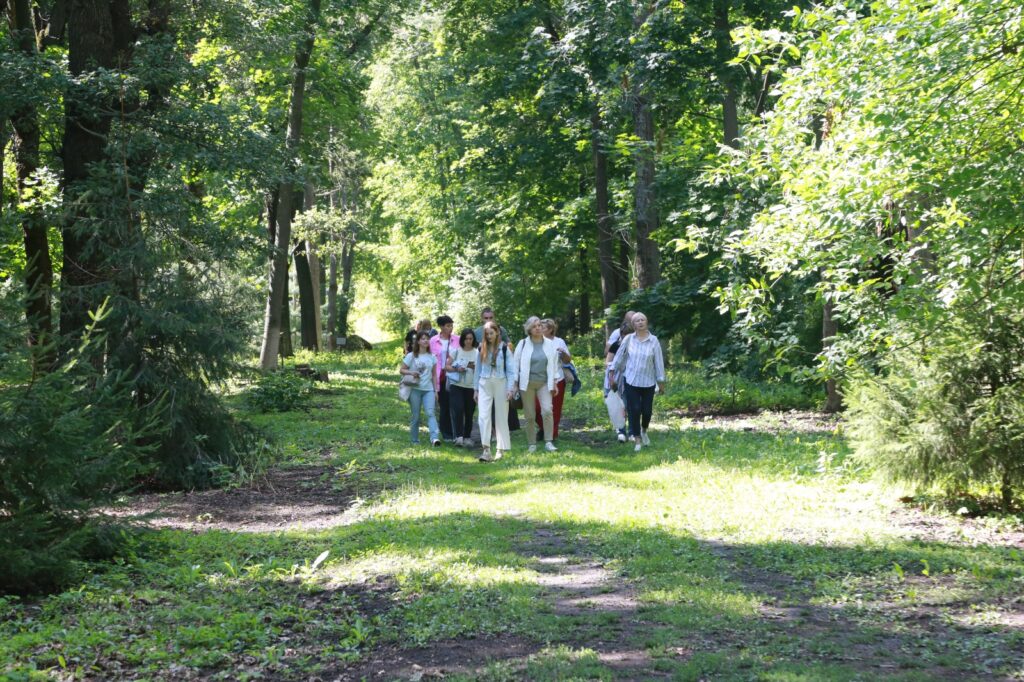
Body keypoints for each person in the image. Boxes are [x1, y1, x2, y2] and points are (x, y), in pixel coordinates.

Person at [609, 312, 666, 453]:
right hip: (631, 380)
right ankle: (637, 439)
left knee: (646, 411)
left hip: (648, 381)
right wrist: (612, 373)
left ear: (646, 322)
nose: (640, 322)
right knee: (634, 410)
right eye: (637, 321)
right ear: (633, 325)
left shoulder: (654, 341)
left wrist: (661, 381)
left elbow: (658, 362)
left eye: (643, 320)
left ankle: (644, 430)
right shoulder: (628, 339)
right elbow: (619, 357)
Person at [514, 316, 559, 453]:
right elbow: (515, 365)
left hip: (544, 383)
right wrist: (515, 384)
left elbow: (554, 365)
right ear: (529, 329)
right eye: (534, 326)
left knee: (547, 410)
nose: (538, 328)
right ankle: (532, 443)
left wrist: (555, 382)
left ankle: (548, 441)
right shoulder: (522, 344)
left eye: (539, 325)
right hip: (526, 384)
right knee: (530, 415)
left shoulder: (550, 344)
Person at [475, 321, 515, 462]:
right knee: (483, 416)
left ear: (497, 332)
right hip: (484, 383)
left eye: (491, 333)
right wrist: (475, 389)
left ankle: (500, 449)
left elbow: (511, 371)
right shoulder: (481, 348)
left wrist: (510, 389)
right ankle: (486, 449)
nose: (489, 336)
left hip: (501, 383)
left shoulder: (505, 349)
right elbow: (477, 371)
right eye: (487, 334)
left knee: (501, 416)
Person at [400, 331, 441, 446]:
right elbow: (401, 370)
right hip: (415, 389)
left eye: (427, 339)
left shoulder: (432, 357)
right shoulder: (411, 355)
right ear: (418, 341)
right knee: (416, 416)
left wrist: (435, 390)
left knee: (430, 413)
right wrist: (411, 372)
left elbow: (434, 375)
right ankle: (414, 440)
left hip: (428, 390)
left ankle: (434, 438)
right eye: (422, 339)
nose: (425, 341)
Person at [535, 318, 571, 440]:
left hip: (557, 379)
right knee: (537, 408)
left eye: (542, 327)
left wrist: (563, 353)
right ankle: (544, 428)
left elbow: (567, 360)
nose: (539, 329)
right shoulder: (536, 341)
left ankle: (551, 435)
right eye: (538, 326)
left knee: (554, 409)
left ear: (550, 330)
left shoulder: (559, 342)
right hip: (539, 379)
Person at [446, 328, 479, 447]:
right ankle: (458, 436)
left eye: (471, 339)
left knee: (469, 412)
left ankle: (467, 436)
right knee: (458, 409)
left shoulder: (477, 353)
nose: (468, 341)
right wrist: (456, 368)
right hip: (457, 385)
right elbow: (447, 366)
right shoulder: (456, 351)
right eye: (466, 339)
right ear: (462, 340)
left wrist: (474, 367)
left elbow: (481, 369)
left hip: (471, 386)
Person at [605, 313, 634, 442]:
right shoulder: (616, 345)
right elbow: (608, 362)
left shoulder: (637, 346)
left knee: (632, 405)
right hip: (617, 378)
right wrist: (612, 378)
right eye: (624, 336)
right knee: (619, 405)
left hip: (632, 379)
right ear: (621, 336)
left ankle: (633, 432)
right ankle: (621, 431)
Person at [429, 315, 456, 442]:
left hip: (455, 377)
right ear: (441, 327)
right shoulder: (433, 341)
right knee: (444, 406)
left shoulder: (457, 339)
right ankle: (446, 433)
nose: (450, 328)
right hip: (440, 378)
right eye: (448, 326)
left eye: (451, 325)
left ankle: (457, 432)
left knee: (456, 405)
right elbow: (429, 358)